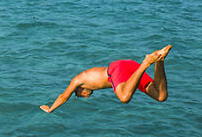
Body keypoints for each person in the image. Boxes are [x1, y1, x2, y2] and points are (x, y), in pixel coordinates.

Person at [40, 45, 171, 113]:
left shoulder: (78, 80)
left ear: (79, 89)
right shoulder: (91, 79)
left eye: (80, 95)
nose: (86, 97)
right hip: (128, 69)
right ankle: (159, 58)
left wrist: (51, 109)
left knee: (124, 97)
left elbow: (64, 96)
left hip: (117, 69)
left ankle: (146, 62)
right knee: (160, 96)